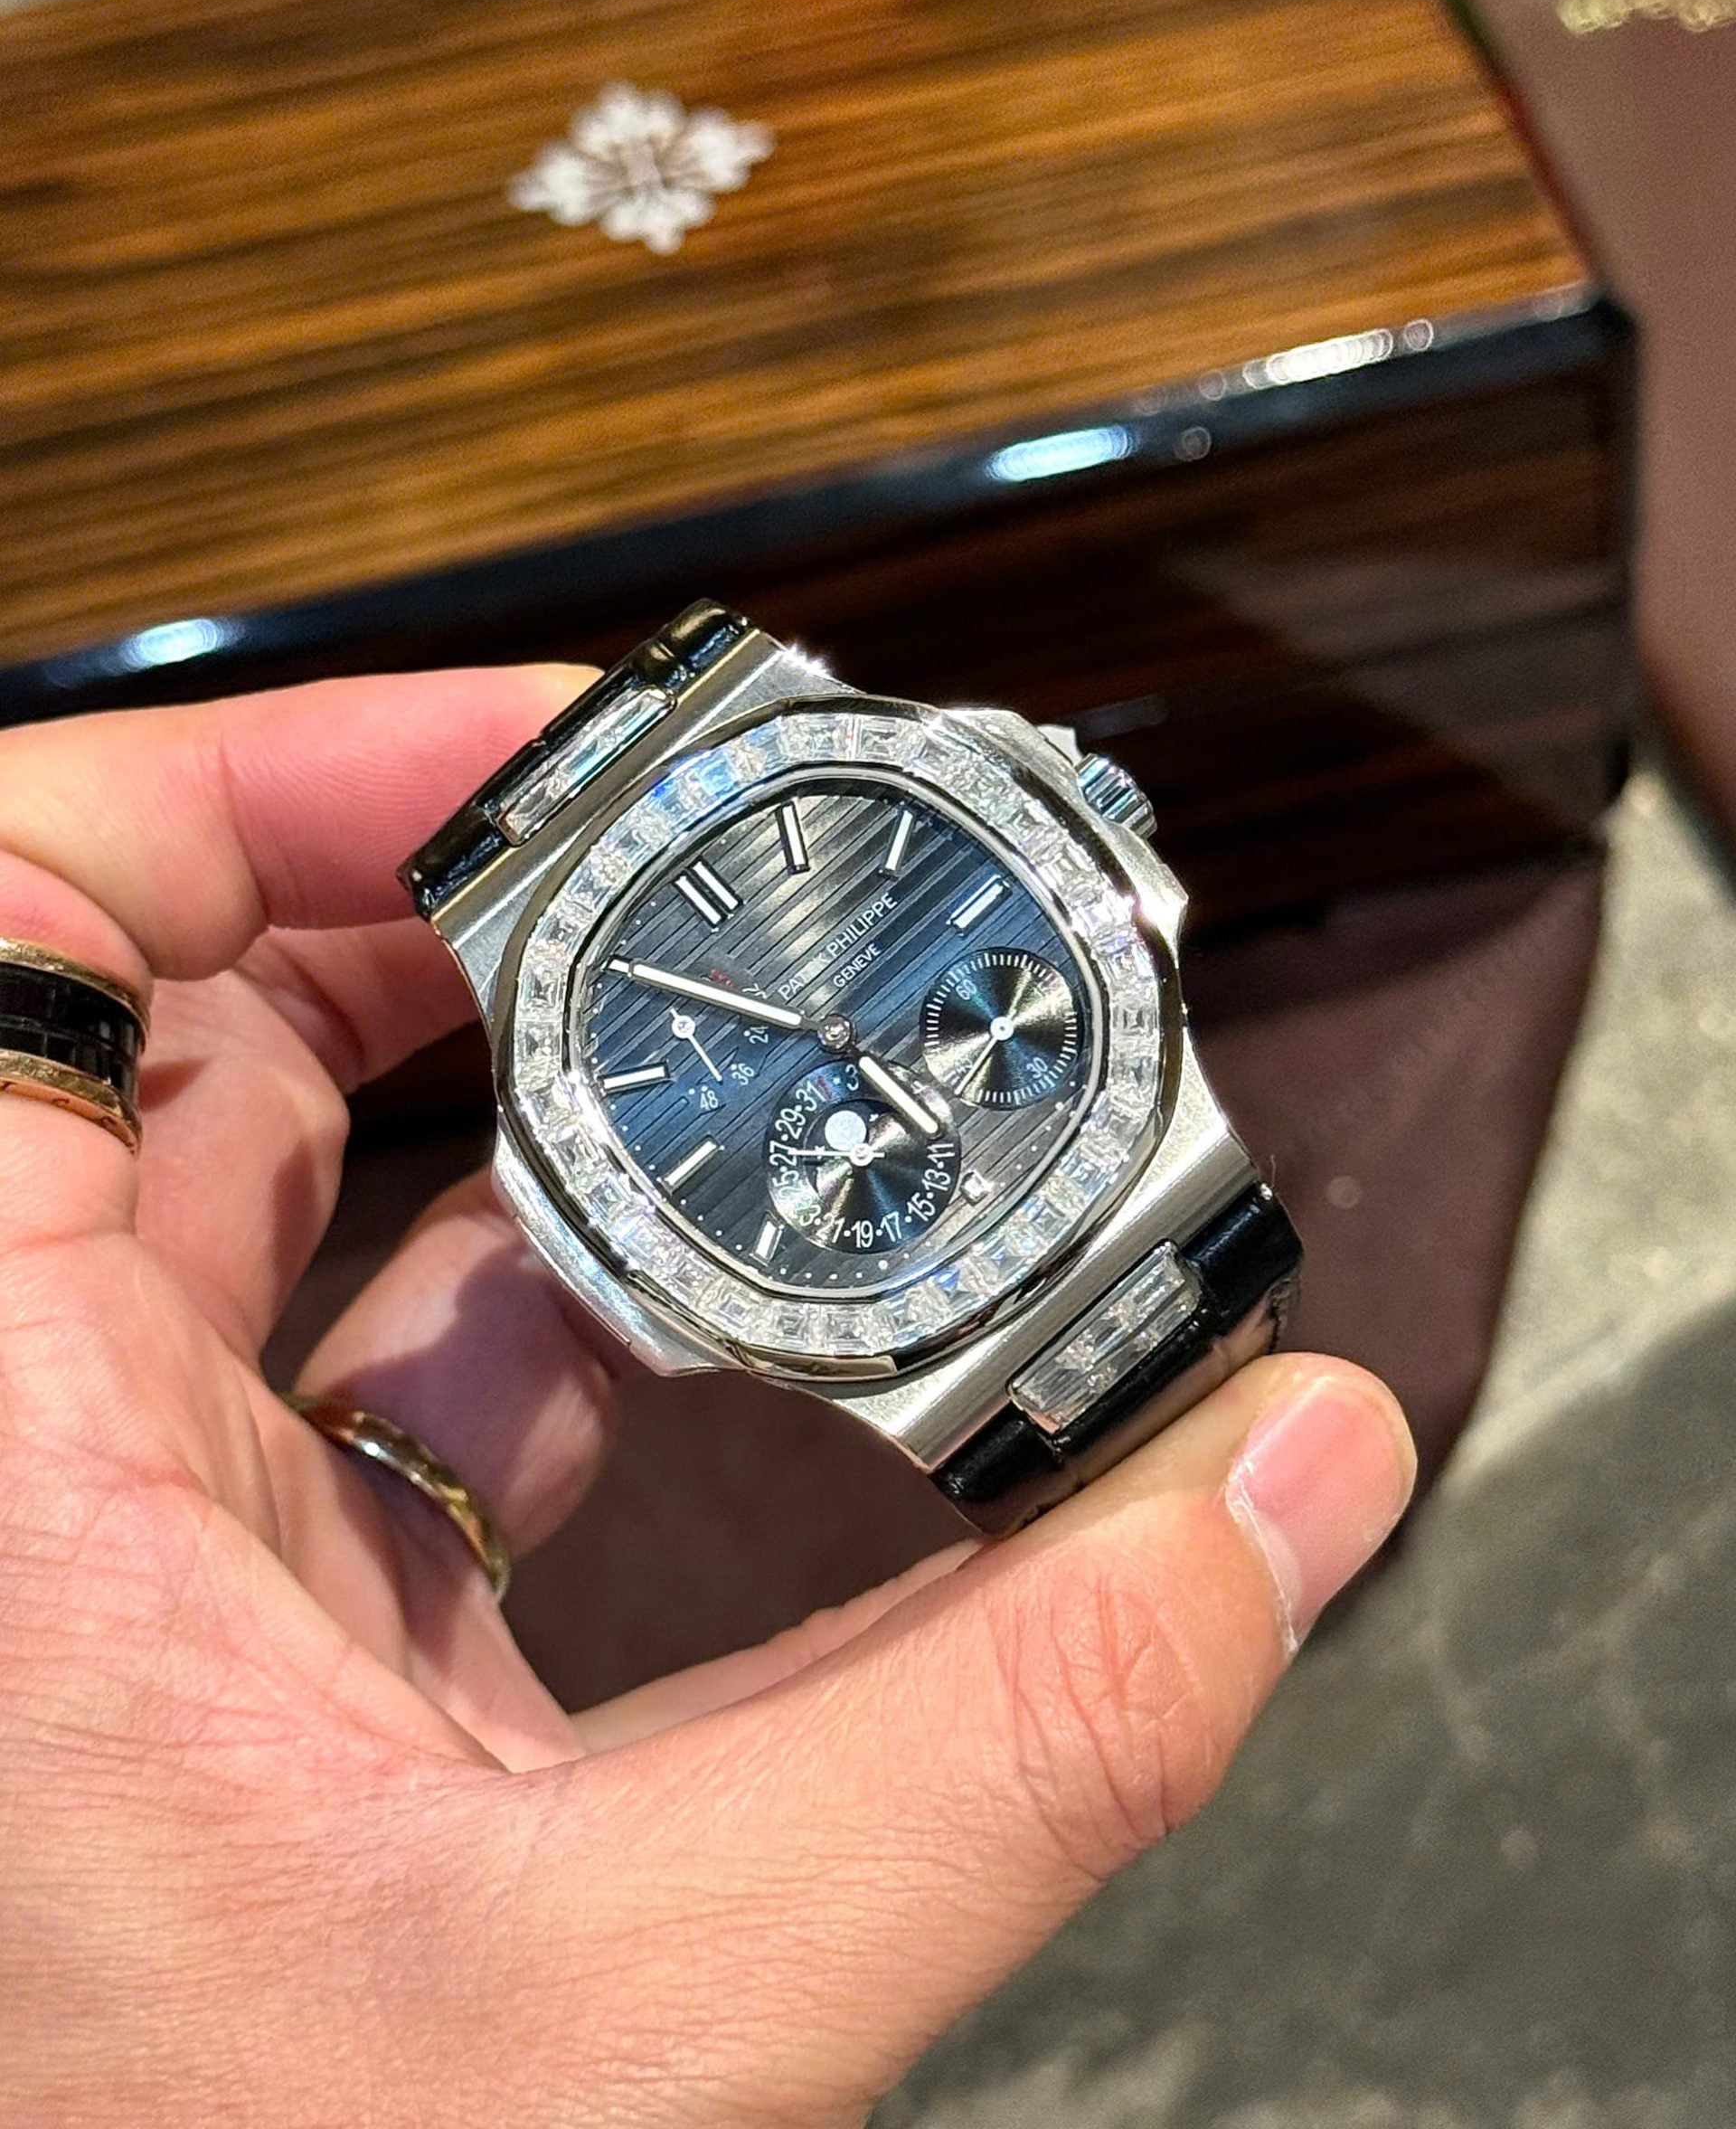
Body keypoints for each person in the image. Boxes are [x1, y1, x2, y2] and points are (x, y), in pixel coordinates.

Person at [0, 664, 1414, 2126]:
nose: (838, 1042)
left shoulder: (816, 755)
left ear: (1086, 824)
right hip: (923, 1304)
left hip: (1074, 1124)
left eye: (841, 1027)